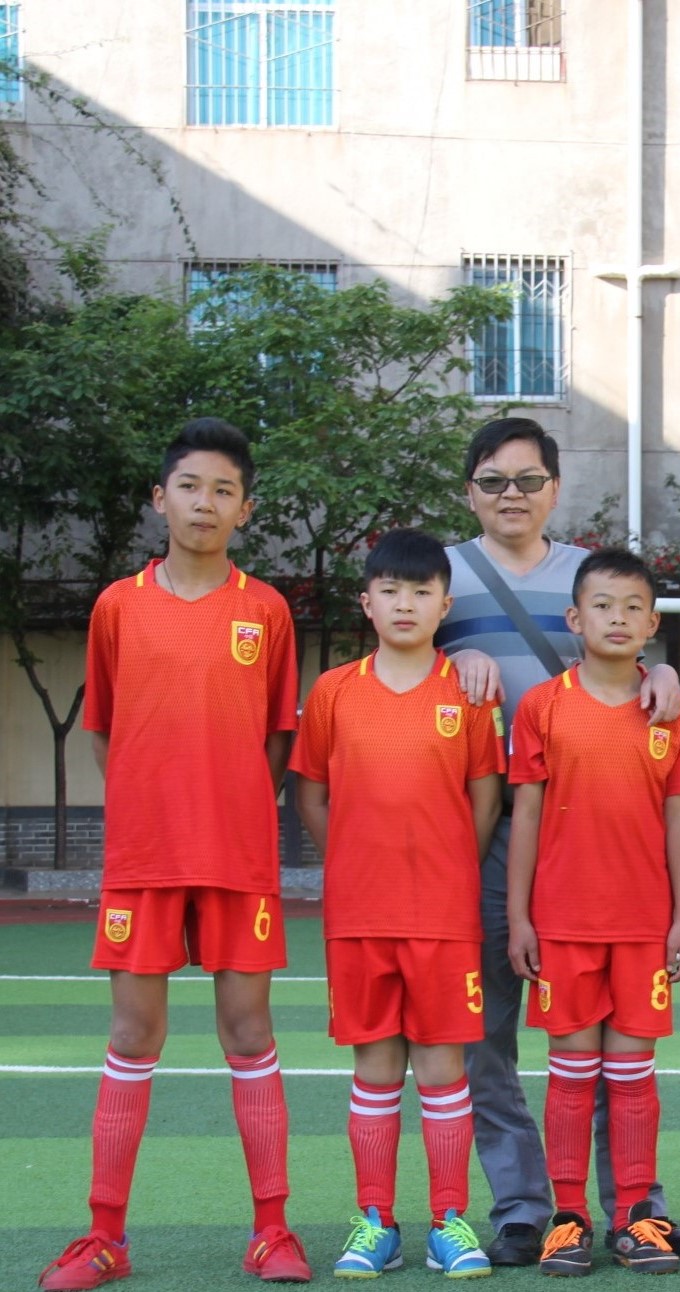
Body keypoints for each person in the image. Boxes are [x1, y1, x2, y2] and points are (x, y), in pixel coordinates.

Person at [39, 419, 311, 1291]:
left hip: (237, 858)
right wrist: (152, 805)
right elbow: (105, 731)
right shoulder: (118, 606)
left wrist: (231, 807)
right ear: (161, 498)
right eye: (190, 486)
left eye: (224, 490)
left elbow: (276, 738)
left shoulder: (265, 611)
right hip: (145, 857)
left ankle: (272, 1231)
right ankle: (104, 1237)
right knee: (132, 1034)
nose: (205, 502)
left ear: (245, 509)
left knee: (250, 1033)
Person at [432, 418, 680, 1264]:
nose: (511, 494)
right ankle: (526, 1207)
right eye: (493, 480)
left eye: (528, 479)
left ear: (554, 487)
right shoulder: (441, 574)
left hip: (597, 839)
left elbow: (633, 658)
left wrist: (663, 671)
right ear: (469, 490)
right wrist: (450, 666)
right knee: (490, 1034)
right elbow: (402, 661)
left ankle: (634, 1208)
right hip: (487, 830)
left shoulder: (591, 574)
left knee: (615, 1042)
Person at [291, 529, 505, 1279]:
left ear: (445, 605)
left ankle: (449, 1220)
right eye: (390, 590)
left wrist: (445, 866)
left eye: (421, 591)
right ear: (367, 602)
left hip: (443, 915)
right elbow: (311, 793)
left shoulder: (467, 692)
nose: (405, 603)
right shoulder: (333, 692)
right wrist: (356, 859)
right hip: (359, 914)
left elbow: (485, 798)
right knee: (376, 1069)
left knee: (443, 1069)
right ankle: (374, 1222)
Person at [503, 548, 680, 1277]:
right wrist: (520, 918)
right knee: (570, 1076)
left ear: (652, 623)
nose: (618, 618)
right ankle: (569, 1218)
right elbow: (526, 817)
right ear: (574, 619)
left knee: (634, 1077)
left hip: (644, 925)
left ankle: (634, 1218)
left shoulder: (670, 710)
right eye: (603, 606)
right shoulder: (543, 706)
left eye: (632, 607)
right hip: (563, 924)